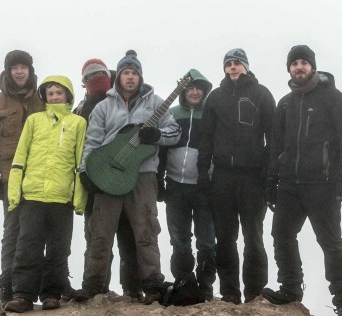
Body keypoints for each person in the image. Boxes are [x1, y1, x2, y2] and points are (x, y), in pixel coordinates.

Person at [261, 45, 342, 316]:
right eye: (294, 63)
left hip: (323, 184)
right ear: (289, 69)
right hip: (290, 186)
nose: (299, 67)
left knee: (331, 242)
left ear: (312, 67)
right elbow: (275, 147)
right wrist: (272, 182)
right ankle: (291, 289)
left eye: (304, 62)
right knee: (281, 235)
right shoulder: (285, 103)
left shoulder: (333, 98)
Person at [78, 50, 181, 305]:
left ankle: (153, 285)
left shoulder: (156, 102)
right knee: (100, 232)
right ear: (118, 76)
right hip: (107, 175)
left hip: (143, 175)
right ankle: (92, 286)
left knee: (146, 230)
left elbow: (175, 132)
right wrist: (85, 172)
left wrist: (156, 135)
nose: (130, 77)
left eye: (135, 73)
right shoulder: (104, 106)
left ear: (140, 76)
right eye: (126, 72)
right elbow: (92, 142)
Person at [197, 48, 275, 304]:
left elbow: (272, 138)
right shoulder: (215, 97)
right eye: (228, 64)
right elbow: (206, 137)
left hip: (252, 177)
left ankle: (254, 291)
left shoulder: (262, 94)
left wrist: (268, 174)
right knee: (225, 238)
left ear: (246, 66)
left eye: (237, 63)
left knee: (254, 236)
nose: (232, 67)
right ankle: (230, 292)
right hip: (222, 177)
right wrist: (202, 170)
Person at [3, 75, 87, 313]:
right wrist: (14, 195)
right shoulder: (34, 121)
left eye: (59, 93)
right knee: (27, 246)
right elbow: (20, 159)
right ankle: (23, 296)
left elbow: (80, 164)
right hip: (33, 195)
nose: (54, 97)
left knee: (59, 249)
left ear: (68, 95)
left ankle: (51, 294)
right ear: (45, 97)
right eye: (50, 93)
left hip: (62, 197)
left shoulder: (78, 123)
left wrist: (79, 200)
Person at [0, 50, 44, 306]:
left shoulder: (43, 100)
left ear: (30, 70)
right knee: (13, 231)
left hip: (40, 177)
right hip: (9, 178)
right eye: (14, 67)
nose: (19, 71)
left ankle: (32, 289)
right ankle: (8, 285)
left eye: (23, 67)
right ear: (7, 71)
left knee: (38, 232)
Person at [73, 58, 142, 301]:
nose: (95, 80)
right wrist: (84, 174)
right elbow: (82, 145)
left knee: (129, 234)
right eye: (89, 77)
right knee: (96, 235)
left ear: (109, 75)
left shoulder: (123, 99)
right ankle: (95, 287)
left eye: (99, 74)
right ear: (83, 83)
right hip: (93, 183)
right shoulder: (80, 109)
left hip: (127, 177)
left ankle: (132, 288)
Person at [157, 69, 216, 301]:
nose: (194, 91)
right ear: (183, 91)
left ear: (204, 92)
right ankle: (184, 282)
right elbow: (161, 149)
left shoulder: (210, 115)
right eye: (190, 88)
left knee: (207, 240)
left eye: (198, 88)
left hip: (204, 186)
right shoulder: (172, 113)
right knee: (179, 239)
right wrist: (159, 180)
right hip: (175, 185)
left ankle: (206, 286)